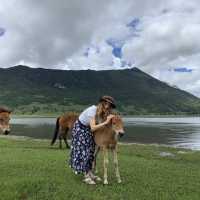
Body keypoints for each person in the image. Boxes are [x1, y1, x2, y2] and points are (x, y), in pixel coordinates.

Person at [69, 95, 116, 184]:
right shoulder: (92, 110)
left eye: (109, 106)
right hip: (80, 128)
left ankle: (90, 173)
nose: (108, 107)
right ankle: (86, 175)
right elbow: (93, 128)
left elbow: (101, 125)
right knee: (85, 150)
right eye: (106, 104)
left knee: (91, 151)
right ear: (102, 103)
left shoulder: (101, 113)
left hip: (88, 128)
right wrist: (106, 122)